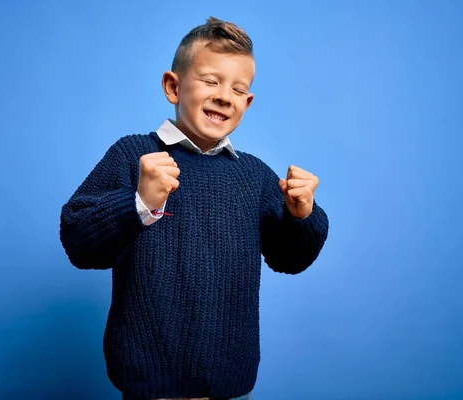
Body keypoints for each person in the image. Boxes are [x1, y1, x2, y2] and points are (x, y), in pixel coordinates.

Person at [59, 16, 329, 400]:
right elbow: (78, 242)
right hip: (148, 386)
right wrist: (138, 203)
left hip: (232, 386)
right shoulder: (133, 155)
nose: (224, 96)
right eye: (210, 81)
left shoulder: (254, 175)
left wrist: (302, 216)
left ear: (247, 103)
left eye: (239, 89)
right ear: (173, 86)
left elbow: (291, 258)